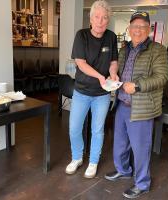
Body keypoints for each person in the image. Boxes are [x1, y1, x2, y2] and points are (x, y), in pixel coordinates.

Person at [104, 11, 168, 199]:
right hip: (122, 104)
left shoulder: (158, 49)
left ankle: (142, 183)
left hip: (142, 108)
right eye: (134, 26)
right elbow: (120, 73)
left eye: (142, 26)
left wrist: (138, 85)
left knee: (140, 149)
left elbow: (162, 77)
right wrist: (113, 79)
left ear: (148, 29)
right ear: (129, 29)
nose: (137, 30)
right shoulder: (124, 50)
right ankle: (123, 171)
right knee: (120, 144)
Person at [65, 0, 119, 179]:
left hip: (102, 94)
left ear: (108, 20)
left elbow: (113, 61)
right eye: (97, 17)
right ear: (90, 18)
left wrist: (113, 74)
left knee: (97, 130)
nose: (101, 21)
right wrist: (100, 76)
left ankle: (93, 161)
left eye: (105, 18)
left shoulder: (111, 37)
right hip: (81, 91)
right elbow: (80, 63)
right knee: (74, 128)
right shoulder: (81, 36)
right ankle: (77, 157)